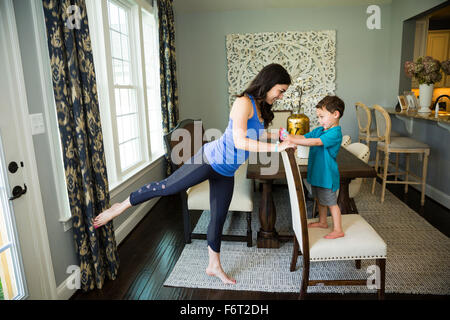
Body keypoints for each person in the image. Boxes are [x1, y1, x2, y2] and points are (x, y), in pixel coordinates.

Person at [93, 63, 296, 284]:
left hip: (226, 170)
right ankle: (120, 206)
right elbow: (240, 140)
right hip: (207, 160)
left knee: (218, 218)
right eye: (281, 90)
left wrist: (279, 136)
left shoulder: (259, 107)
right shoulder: (243, 102)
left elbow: (255, 136)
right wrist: (277, 148)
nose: (281, 96)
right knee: (167, 187)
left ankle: (214, 266)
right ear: (268, 84)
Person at [282, 95, 345, 239]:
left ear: (335, 114)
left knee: (331, 203)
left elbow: (315, 142)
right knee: (319, 199)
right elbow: (304, 137)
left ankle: (338, 229)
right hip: (317, 173)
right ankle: (323, 222)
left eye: (322, 116)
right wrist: (289, 136)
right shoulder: (320, 130)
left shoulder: (335, 133)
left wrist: (291, 139)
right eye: (318, 117)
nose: (319, 120)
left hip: (327, 175)